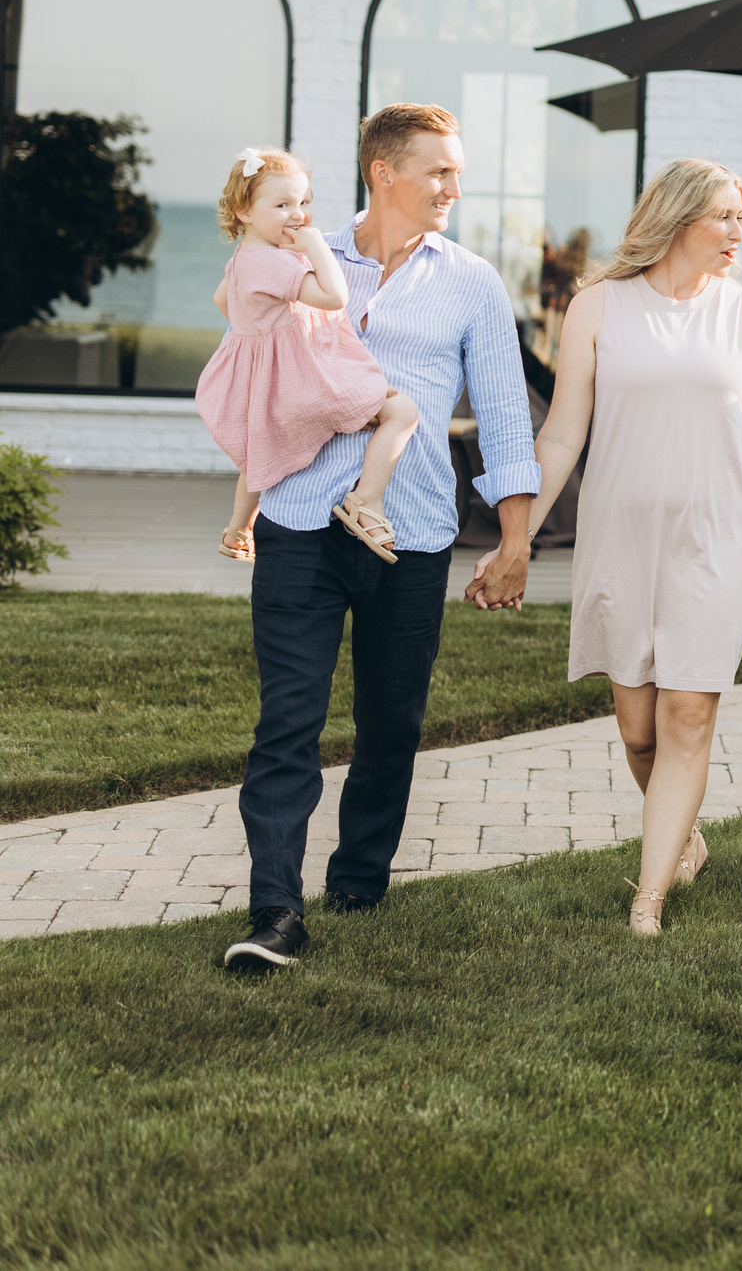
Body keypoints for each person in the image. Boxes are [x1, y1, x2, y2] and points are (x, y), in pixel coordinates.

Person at [220, 103, 539, 974]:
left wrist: (514, 540)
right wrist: (244, 500)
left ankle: (358, 883)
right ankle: (275, 910)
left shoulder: (472, 280)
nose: (453, 187)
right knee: (287, 721)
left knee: (391, 723)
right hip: (299, 520)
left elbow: (507, 413)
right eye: (438, 170)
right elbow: (251, 368)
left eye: (457, 171)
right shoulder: (294, 256)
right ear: (384, 172)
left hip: (416, 531)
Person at [512, 159, 742, 936]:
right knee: (639, 730)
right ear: (675, 219)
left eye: (741, 216)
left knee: (688, 716)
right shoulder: (597, 306)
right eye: (722, 216)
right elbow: (563, 432)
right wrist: (517, 538)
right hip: (620, 535)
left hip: (719, 536)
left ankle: (649, 900)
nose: (737, 231)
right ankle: (684, 835)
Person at [196, 147, 420, 566]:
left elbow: (222, 301)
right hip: (307, 387)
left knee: (260, 452)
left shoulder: (243, 260)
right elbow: (335, 297)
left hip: (269, 389)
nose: (298, 214)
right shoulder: (276, 264)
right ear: (244, 211)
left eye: (304, 202)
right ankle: (366, 501)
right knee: (403, 413)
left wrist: (261, 330)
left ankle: (238, 528)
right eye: (282, 205)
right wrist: (317, 246)